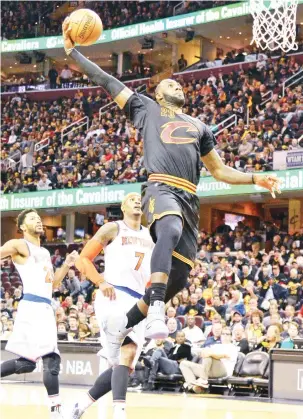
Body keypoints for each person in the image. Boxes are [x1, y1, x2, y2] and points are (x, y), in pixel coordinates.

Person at [62, 19, 281, 349]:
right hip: (160, 188)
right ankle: (158, 308)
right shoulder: (145, 109)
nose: (177, 87)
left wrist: (255, 177)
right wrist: (73, 52)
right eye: (170, 85)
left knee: (179, 275)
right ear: (157, 93)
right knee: (170, 229)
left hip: (189, 196)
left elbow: (219, 171)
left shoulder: (200, 126)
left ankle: (124, 322)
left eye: (180, 86)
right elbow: (105, 80)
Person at [71, 193, 154, 419]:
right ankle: (120, 412)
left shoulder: (152, 235)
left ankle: (79, 405)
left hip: (139, 300)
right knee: (127, 349)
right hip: (114, 294)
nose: (137, 201)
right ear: (123, 207)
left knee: (122, 365)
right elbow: (83, 259)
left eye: (139, 199)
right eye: (131, 199)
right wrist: (100, 281)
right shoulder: (112, 228)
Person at [0, 209, 78, 419]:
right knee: (51, 358)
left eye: (39, 218)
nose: (39, 221)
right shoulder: (19, 244)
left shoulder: (43, 252)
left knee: (27, 363)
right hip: (34, 306)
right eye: (33, 219)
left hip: (41, 306)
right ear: (23, 226)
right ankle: (56, 411)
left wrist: (67, 264)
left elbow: (52, 284)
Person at [180, 326, 238, 393]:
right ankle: (193, 387)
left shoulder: (233, 347)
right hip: (208, 370)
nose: (225, 336)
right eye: (223, 334)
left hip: (223, 371)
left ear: (231, 336)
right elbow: (203, 352)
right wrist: (204, 353)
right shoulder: (216, 346)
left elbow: (224, 356)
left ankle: (203, 380)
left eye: (227, 334)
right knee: (184, 363)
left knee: (208, 355)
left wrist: (210, 354)